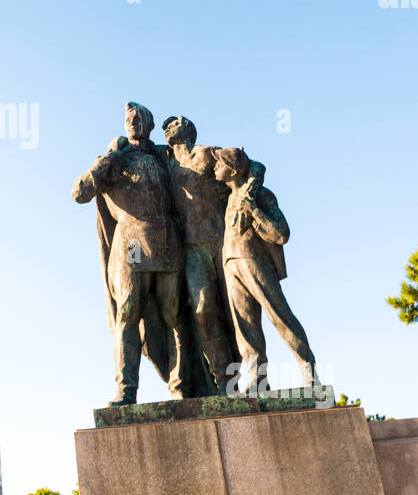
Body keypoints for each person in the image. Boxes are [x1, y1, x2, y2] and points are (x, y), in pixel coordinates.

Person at [72, 102, 185, 406]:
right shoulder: (114, 159)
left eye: (138, 118)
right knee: (128, 313)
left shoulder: (165, 156)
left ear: (148, 123)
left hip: (167, 242)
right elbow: (79, 193)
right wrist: (105, 163)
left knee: (175, 315)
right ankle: (126, 390)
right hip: (132, 243)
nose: (133, 123)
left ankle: (181, 387)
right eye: (128, 119)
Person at [213, 147, 318, 395]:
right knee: (245, 326)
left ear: (232, 169)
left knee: (279, 316)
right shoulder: (228, 198)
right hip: (230, 262)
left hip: (255, 260)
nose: (215, 167)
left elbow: (282, 234)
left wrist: (254, 210)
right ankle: (257, 379)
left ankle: (308, 368)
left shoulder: (261, 196)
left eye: (219, 164)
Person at [161, 115, 239, 393]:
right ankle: (224, 381)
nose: (169, 126)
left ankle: (255, 379)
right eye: (167, 125)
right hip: (192, 250)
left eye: (176, 122)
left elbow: (250, 165)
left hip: (223, 244)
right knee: (203, 311)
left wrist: (250, 190)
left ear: (189, 130)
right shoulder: (166, 165)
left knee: (239, 313)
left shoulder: (206, 154)